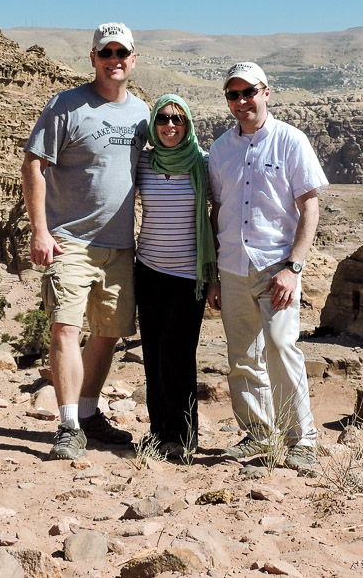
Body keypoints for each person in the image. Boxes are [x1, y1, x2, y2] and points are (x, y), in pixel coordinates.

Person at [21, 22, 149, 460]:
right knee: (65, 327)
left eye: (121, 53)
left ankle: (89, 414)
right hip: (70, 240)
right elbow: (33, 164)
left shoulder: (143, 114)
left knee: (108, 332)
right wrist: (39, 230)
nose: (114, 60)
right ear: (93, 58)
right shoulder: (66, 105)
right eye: (106, 52)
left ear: (133, 59)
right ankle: (69, 425)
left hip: (120, 245)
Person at [205, 61, 328, 474]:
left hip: (276, 266)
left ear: (266, 92)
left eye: (249, 92)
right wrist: (214, 274)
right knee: (242, 356)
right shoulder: (220, 149)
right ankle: (258, 433)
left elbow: (309, 207)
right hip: (233, 267)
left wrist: (294, 268)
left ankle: (301, 439)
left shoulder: (291, 141)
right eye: (233, 95)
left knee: (280, 346)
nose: (241, 101)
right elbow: (217, 210)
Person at [134, 94, 217, 459]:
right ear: (154, 123)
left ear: (188, 125)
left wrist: (215, 273)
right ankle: (158, 433)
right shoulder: (144, 162)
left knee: (178, 355)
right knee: (152, 355)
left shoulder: (203, 163)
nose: (170, 125)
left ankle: (183, 437)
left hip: (188, 276)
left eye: (178, 119)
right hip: (148, 271)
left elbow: (220, 212)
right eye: (164, 118)